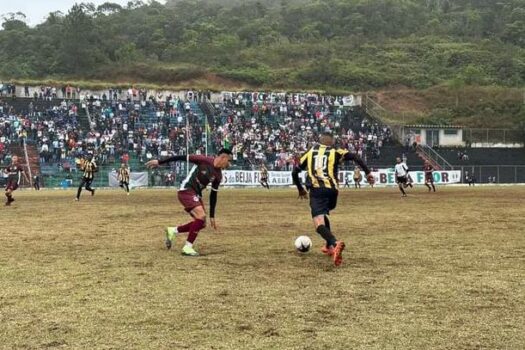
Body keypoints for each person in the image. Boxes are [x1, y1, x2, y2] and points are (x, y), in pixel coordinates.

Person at [291, 132, 374, 266]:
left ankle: (335, 243)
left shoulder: (310, 152)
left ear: (320, 141)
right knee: (323, 213)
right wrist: (368, 173)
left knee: (318, 223)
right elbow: (356, 157)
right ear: (331, 142)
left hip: (317, 190)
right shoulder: (335, 151)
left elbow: (294, 172)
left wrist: (300, 189)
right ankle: (329, 246)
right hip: (333, 192)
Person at [145, 149, 233, 256]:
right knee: (200, 216)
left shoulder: (218, 176)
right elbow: (180, 157)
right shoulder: (203, 160)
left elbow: (213, 195)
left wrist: (212, 216)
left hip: (196, 194)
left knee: (202, 223)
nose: (230, 164)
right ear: (223, 157)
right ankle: (187, 247)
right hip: (186, 190)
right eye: (229, 160)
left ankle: (173, 230)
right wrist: (160, 162)